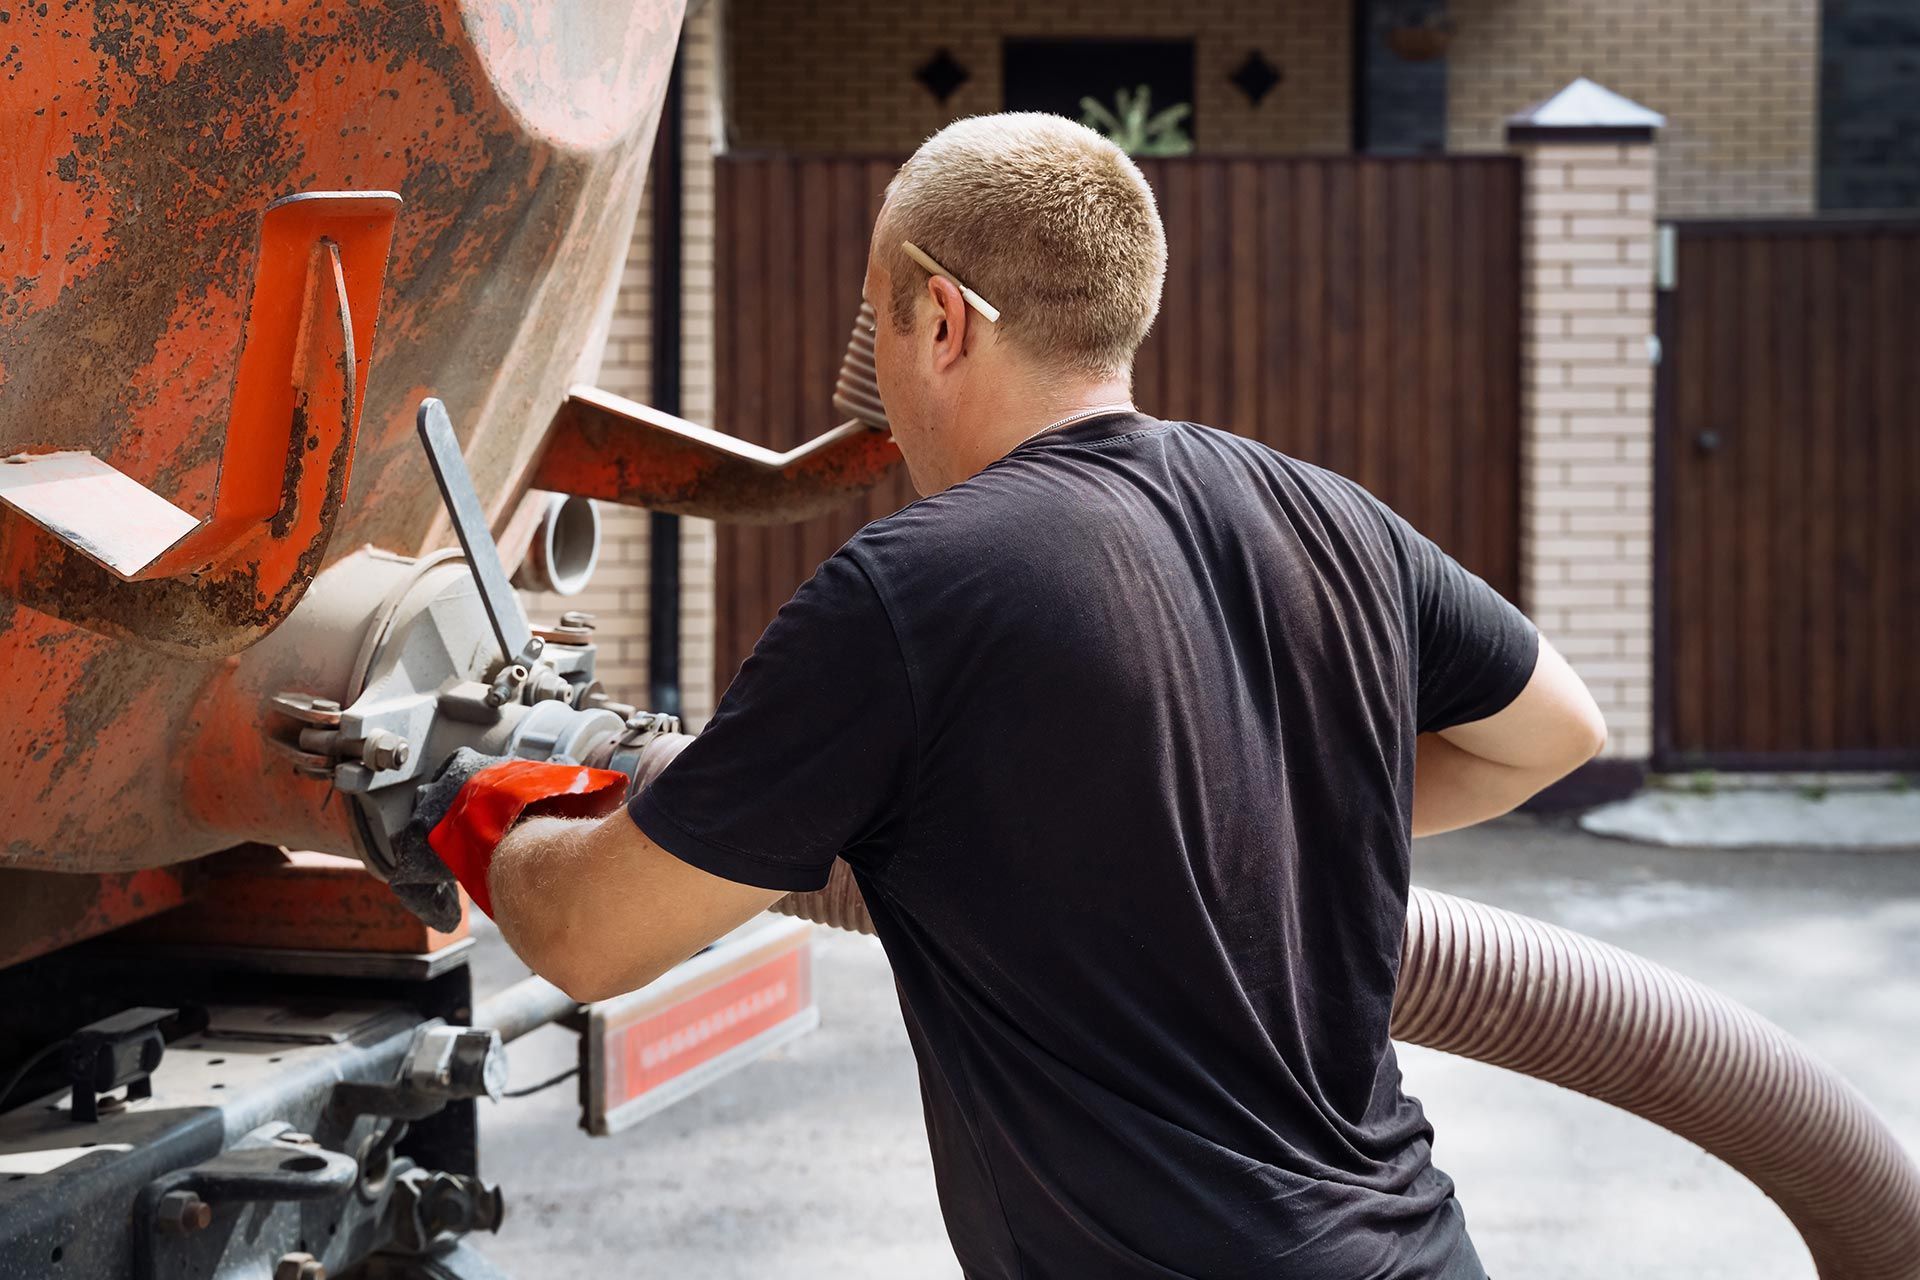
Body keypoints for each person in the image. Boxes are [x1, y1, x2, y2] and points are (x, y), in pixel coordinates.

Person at [445, 113, 1606, 1278]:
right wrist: (1262, 799)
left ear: (942, 319)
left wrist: (477, 796)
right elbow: (1557, 731)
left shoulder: (909, 596)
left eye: (877, 326)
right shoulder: (1333, 518)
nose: (879, 378)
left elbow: (589, 937)